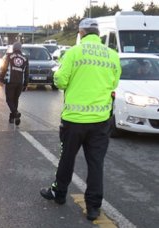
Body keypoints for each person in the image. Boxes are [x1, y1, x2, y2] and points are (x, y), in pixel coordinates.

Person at [39, 18, 121, 221]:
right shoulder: (112, 55)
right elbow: (114, 82)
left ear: (81, 33)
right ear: (97, 33)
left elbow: (60, 80)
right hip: (101, 121)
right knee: (96, 165)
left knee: (66, 159)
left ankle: (59, 194)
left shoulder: (74, 52)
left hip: (74, 121)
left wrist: (62, 77)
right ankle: (93, 208)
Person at [0, 41, 29, 125]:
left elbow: (4, 68)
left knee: (9, 100)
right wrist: (26, 84)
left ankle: (15, 113)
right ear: (20, 49)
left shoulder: (9, 56)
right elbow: (27, 72)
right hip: (20, 83)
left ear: (13, 48)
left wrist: (1, 79)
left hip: (10, 82)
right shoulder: (25, 58)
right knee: (15, 100)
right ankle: (12, 118)